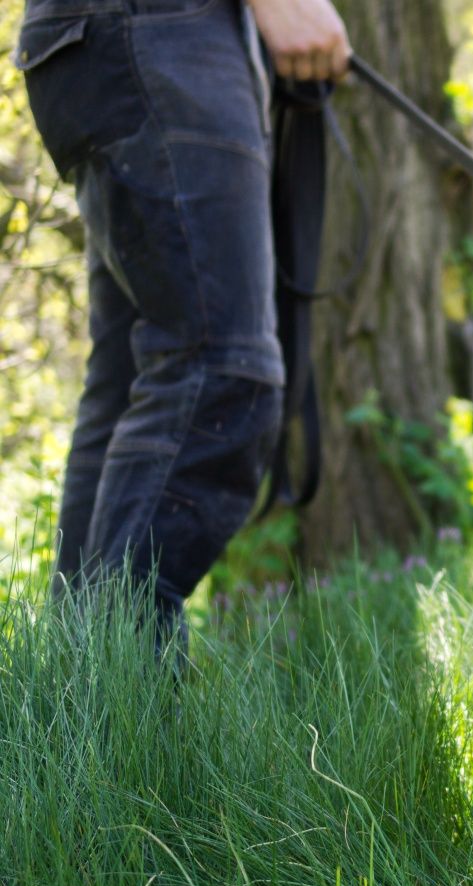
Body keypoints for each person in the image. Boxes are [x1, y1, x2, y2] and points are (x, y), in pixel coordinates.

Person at [14, 0, 349, 644]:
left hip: (113, 40)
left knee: (132, 382)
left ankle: (72, 701)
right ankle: (121, 704)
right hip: (160, 33)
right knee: (221, 372)